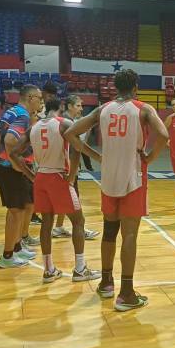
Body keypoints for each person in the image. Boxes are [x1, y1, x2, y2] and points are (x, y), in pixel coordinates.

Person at [65, 69, 168, 312]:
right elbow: (163, 134)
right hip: (133, 176)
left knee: (109, 231)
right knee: (129, 234)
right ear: (135, 88)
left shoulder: (103, 109)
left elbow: (70, 133)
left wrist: (95, 156)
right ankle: (127, 293)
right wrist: (150, 157)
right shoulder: (143, 109)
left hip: (108, 178)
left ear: (115, 87)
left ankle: (106, 282)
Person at [9, 98, 101, 283]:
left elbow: (13, 153)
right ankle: (80, 269)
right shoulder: (63, 123)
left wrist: (30, 174)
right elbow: (77, 148)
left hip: (41, 177)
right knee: (78, 221)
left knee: (47, 223)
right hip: (58, 176)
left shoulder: (33, 128)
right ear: (60, 108)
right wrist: (73, 174)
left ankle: (49, 270)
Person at [0, 84, 44, 268]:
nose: (41, 102)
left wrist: (0, 156)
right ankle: (7, 256)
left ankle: (18, 247)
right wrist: (13, 163)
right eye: (39, 98)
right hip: (11, 170)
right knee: (15, 211)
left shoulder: (11, 112)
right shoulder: (22, 116)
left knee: (25, 206)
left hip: (8, 166)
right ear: (31, 98)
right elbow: (9, 140)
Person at [51, 95, 99, 240]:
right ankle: (81, 229)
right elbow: (76, 148)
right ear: (70, 106)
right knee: (74, 199)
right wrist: (99, 158)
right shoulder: (67, 123)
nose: (81, 108)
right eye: (78, 105)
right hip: (67, 166)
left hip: (64, 165)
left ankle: (58, 227)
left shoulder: (67, 120)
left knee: (66, 198)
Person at [29, 82, 60, 225]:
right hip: (36, 148)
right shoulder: (37, 109)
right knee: (34, 181)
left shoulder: (50, 111)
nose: (51, 97)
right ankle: (33, 212)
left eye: (53, 95)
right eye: (50, 94)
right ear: (44, 93)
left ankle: (41, 210)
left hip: (48, 149)